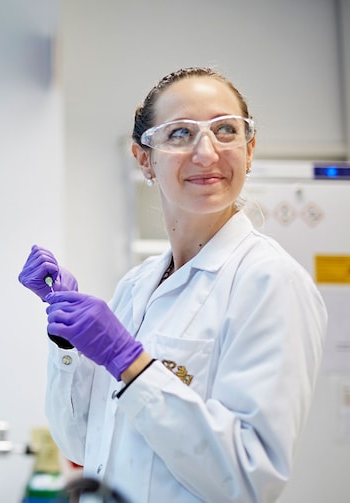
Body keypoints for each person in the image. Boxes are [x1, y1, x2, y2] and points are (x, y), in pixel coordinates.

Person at [18, 66, 327, 502]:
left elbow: (249, 479)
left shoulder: (270, 282)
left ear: (250, 149)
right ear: (144, 158)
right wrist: (67, 342)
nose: (207, 152)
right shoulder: (137, 285)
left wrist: (131, 364)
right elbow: (81, 444)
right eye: (180, 133)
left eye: (225, 130)